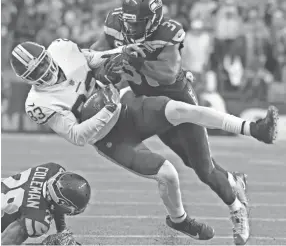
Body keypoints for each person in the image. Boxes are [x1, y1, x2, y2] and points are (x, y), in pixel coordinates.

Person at [10, 39, 278, 244]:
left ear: (47, 53)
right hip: (109, 137)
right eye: (37, 73)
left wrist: (122, 52)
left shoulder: (62, 49)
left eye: (44, 63)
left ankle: (253, 128)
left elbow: (93, 59)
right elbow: (78, 136)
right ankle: (179, 220)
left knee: (180, 109)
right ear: (28, 80)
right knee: (168, 174)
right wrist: (107, 110)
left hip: (128, 107)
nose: (46, 72)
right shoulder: (39, 103)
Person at [90, 0, 278, 245]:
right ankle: (234, 180)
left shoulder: (168, 32)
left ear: (154, 19)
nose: (132, 28)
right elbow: (95, 53)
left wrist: (134, 61)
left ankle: (237, 207)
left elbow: (166, 74)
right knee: (189, 162)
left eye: (139, 23)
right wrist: (106, 63)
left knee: (203, 169)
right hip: (153, 104)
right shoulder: (116, 24)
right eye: (129, 22)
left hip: (176, 98)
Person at [1, 162, 91, 245]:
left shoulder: (53, 169)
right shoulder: (37, 219)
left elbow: (54, 202)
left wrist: (62, 230)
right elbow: (6, 242)